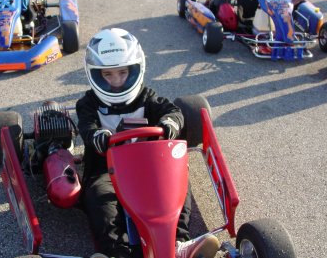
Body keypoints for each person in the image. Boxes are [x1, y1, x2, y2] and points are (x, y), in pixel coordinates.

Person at [75, 28, 220, 258]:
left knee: (178, 186)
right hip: (106, 170)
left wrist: (170, 123)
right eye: (108, 75)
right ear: (94, 74)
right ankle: (116, 252)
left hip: (149, 165)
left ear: (135, 70)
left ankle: (177, 244)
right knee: (101, 199)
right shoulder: (88, 104)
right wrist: (96, 137)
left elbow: (173, 111)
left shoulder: (146, 97)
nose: (116, 81)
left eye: (123, 73)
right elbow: (87, 127)